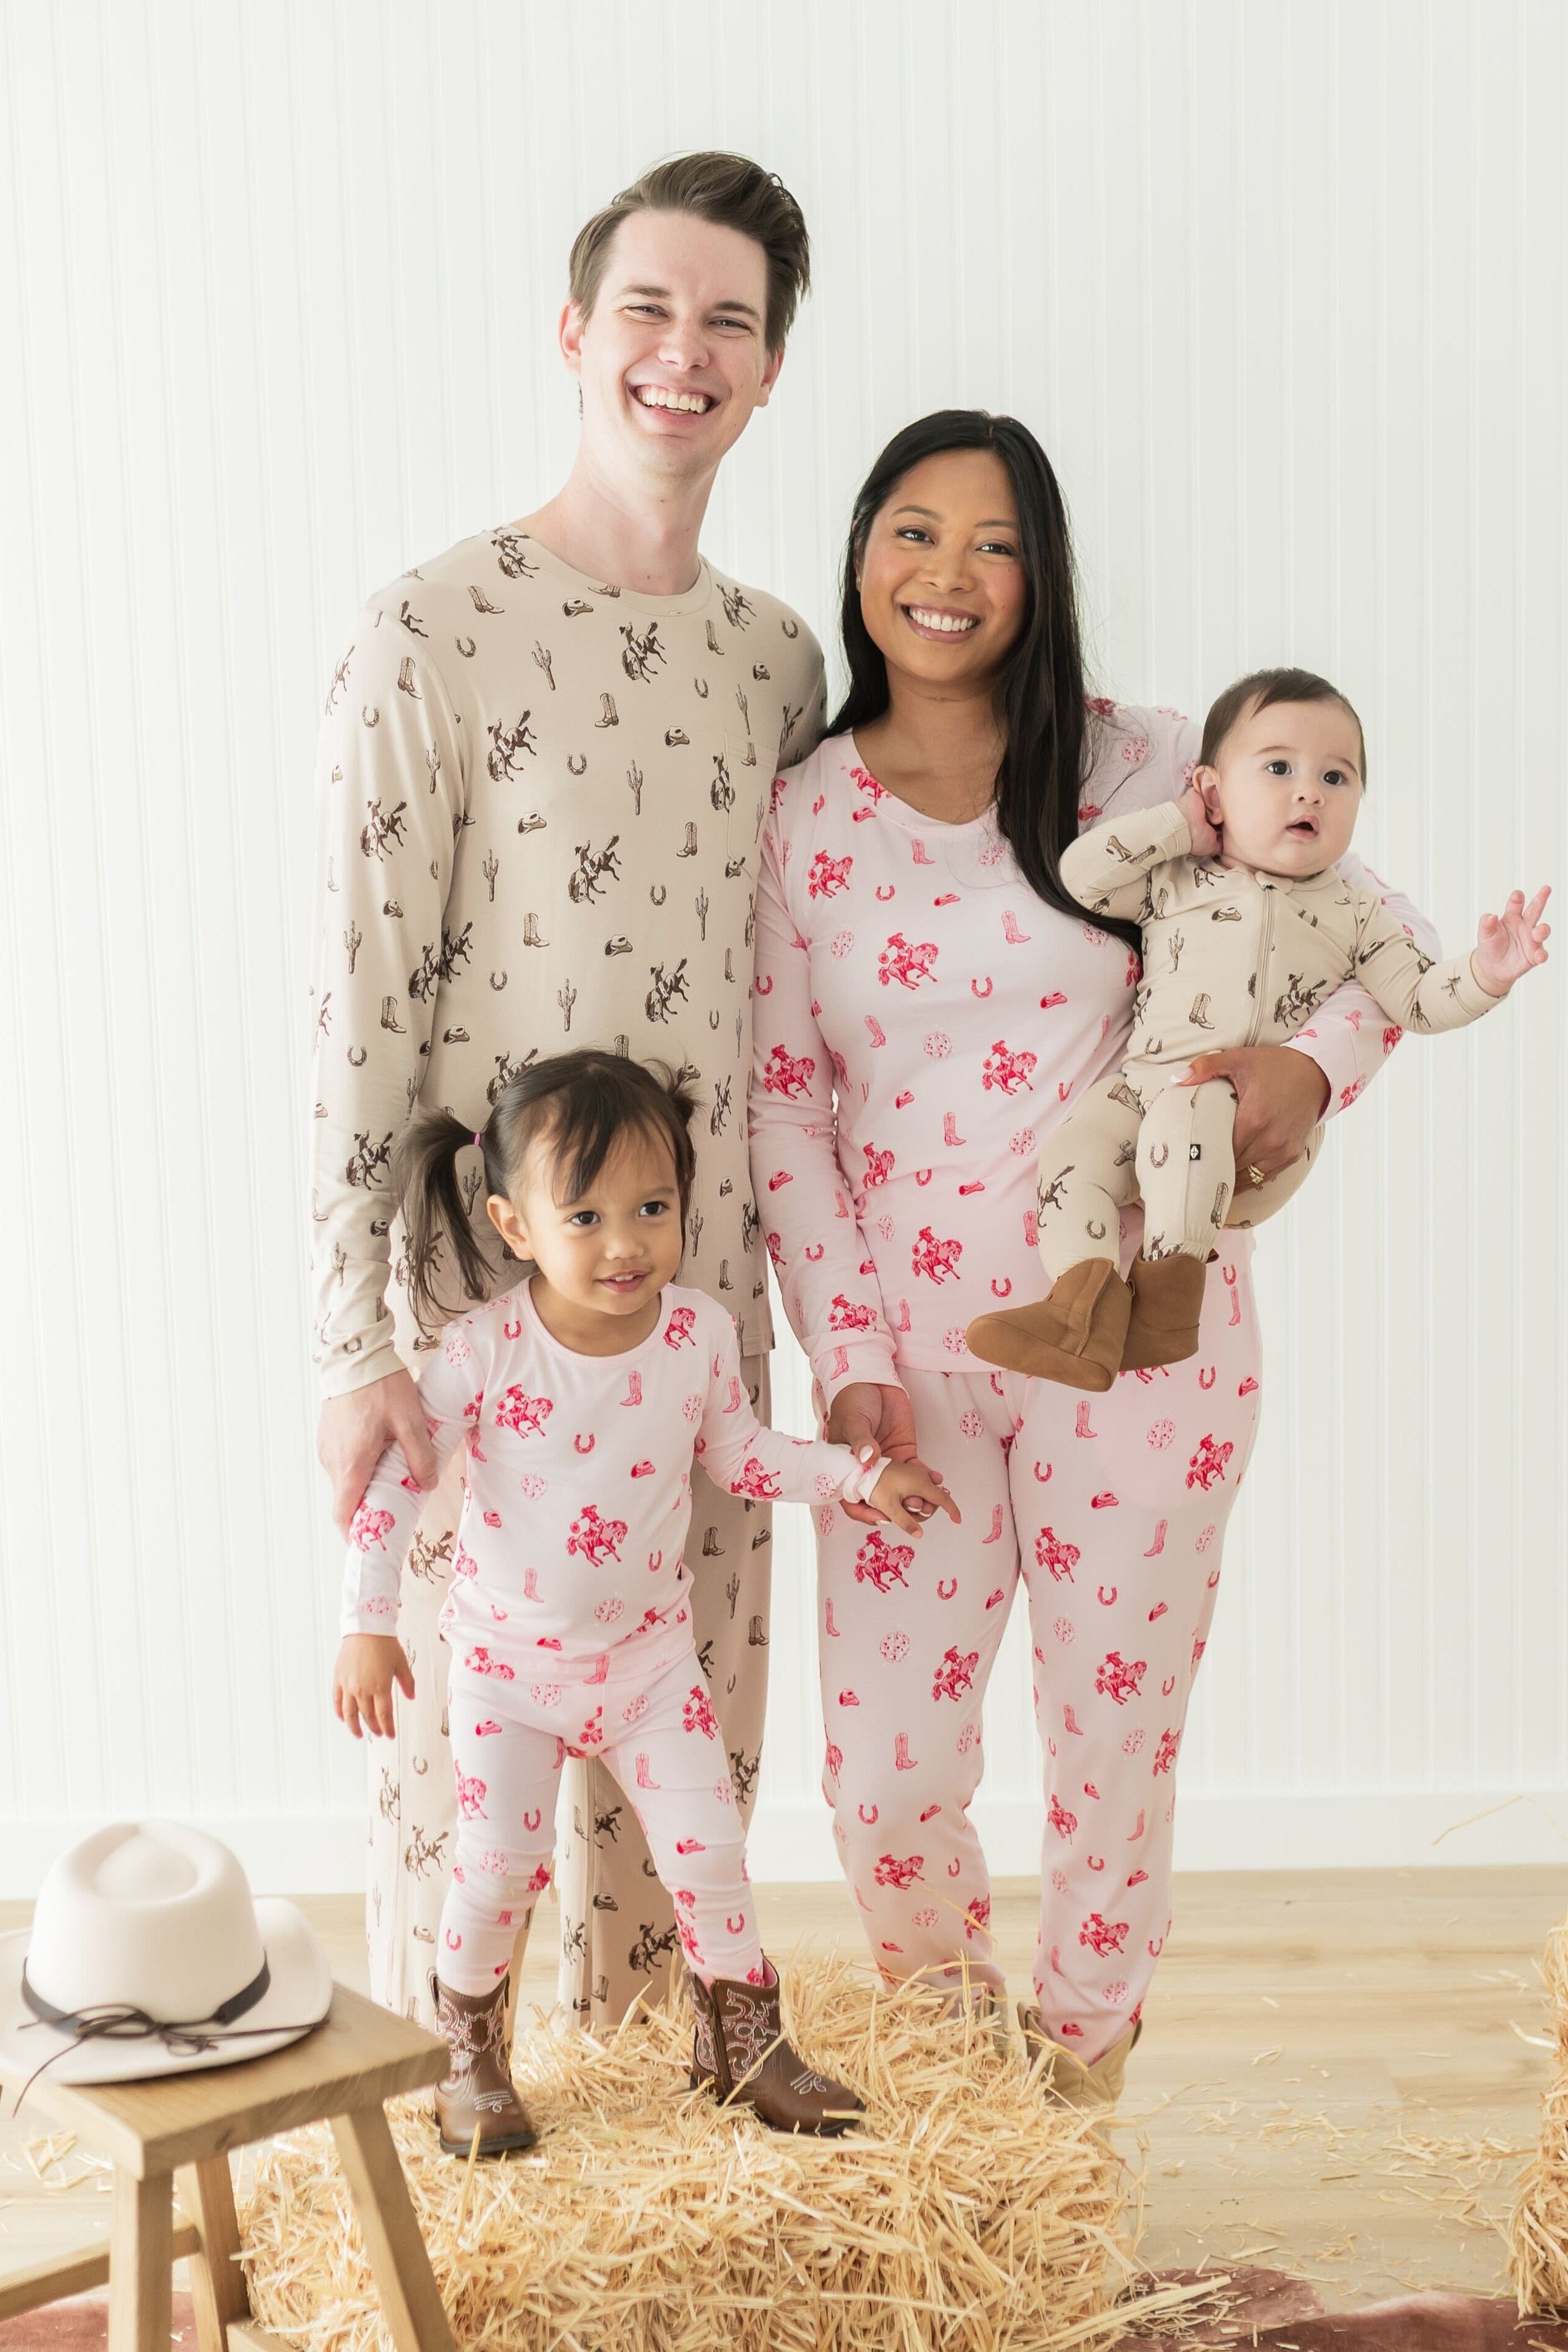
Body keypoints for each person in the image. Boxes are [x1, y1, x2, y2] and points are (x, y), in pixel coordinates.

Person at [748, 411, 1438, 2109]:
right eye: (914, 530)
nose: (951, 575)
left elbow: (1371, 939)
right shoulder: (802, 818)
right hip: (912, 1363)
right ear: (861, 553)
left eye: (995, 542)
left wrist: (1311, 1067)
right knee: (891, 1775)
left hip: (1148, 1345)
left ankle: (1079, 2093)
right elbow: (785, 1118)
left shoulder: (1151, 767)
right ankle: (958, 2057)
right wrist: (848, 1358)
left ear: (1043, 573)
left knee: (1109, 1744)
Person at [308, 154, 826, 2031]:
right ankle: (467, 2162)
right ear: (573, 332)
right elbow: (355, 1015)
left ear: (769, 371)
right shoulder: (429, 631)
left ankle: (666, 2176)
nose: (682, 354)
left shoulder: (776, 660)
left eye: (728, 322)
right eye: (648, 309)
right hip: (482, 1312)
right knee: (474, 1784)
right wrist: (346, 1338)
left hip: (694, 1318)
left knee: (685, 1765)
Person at [333, 1051, 953, 2147]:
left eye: (651, 1208)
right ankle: (467, 2062)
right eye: (585, 1216)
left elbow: (743, 1455)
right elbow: (395, 1483)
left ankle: (742, 2050)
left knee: (707, 1856)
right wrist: (365, 1625)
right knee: (497, 1868)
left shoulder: (696, 1338)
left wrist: (858, 1478)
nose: (625, 1244)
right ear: (514, 1225)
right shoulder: (483, 1351)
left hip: (649, 1670)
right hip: (506, 1674)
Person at [967, 667, 1551, 1384]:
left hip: (1247, 1132)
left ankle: (1166, 1306)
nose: (1310, 791)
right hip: (1140, 1088)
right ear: (1213, 788)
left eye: (1337, 777)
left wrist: (1490, 971)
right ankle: (1081, 1308)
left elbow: (1420, 1001)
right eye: (1279, 768)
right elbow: (1083, 874)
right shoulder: (1177, 875)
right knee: (1071, 1156)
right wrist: (1179, 824)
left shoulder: (1357, 913)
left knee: (1191, 1106)